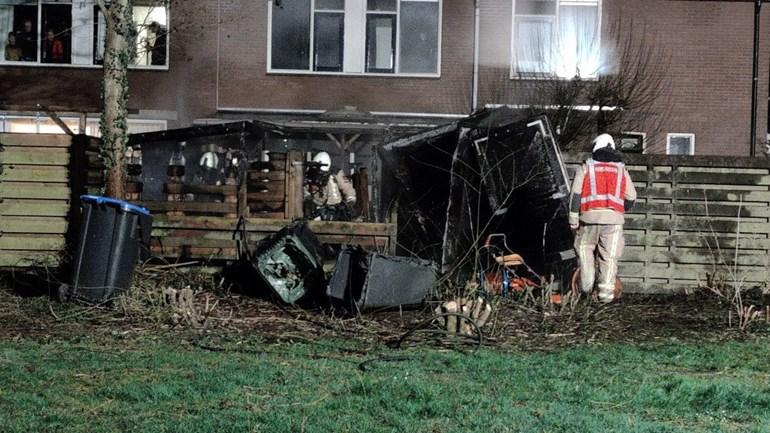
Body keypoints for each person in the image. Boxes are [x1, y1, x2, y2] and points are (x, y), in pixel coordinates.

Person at [568, 133, 637, 303]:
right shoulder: (622, 170)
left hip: (588, 220)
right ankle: (605, 298)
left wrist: (573, 221)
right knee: (609, 257)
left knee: (584, 250)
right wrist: (618, 211)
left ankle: (585, 287)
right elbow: (631, 197)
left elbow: (575, 196)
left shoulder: (585, 167)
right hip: (613, 223)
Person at [303, 151, 357, 221]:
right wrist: (308, 200)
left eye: (323, 173)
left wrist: (350, 202)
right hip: (317, 207)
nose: (321, 175)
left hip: (335, 208)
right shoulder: (310, 173)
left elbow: (348, 189)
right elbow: (304, 189)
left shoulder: (336, 173)